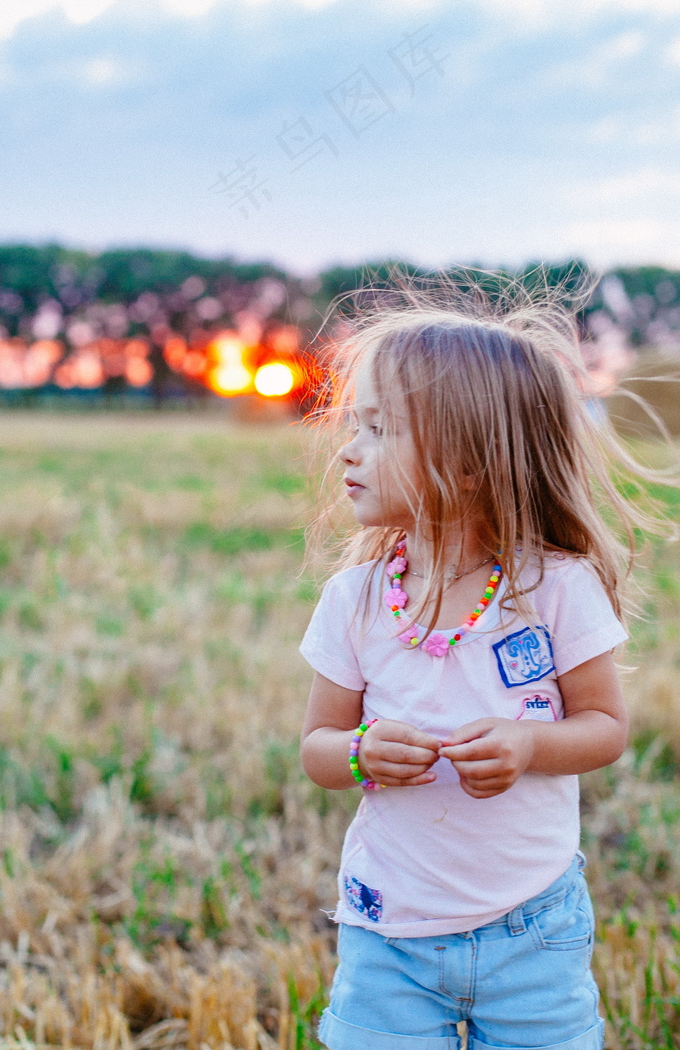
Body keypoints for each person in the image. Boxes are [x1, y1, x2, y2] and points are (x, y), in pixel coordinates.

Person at [298, 272, 671, 1050]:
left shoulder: (555, 588)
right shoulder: (355, 599)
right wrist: (362, 753)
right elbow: (318, 750)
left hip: (533, 925)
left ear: (468, 464)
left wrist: (531, 744)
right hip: (388, 928)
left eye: (377, 428)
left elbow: (605, 727)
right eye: (352, 425)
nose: (347, 451)